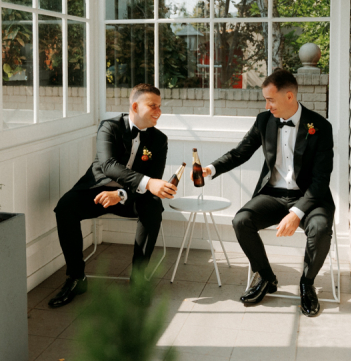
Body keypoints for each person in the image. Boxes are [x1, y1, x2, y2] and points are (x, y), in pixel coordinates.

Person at [200, 69, 335, 316]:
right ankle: (266, 277)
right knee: (242, 220)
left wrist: (296, 213)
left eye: (271, 99)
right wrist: (210, 169)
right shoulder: (264, 121)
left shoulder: (321, 127)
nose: (267, 105)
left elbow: (320, 181)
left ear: (290, 97)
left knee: (320, 228)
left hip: (310, 199)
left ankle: (307, 284)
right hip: (273, 195)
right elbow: (240, 152)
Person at [48, 84, 177, 308]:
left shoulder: (159, 140)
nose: (159, 111)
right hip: (97, 189)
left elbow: (153, 180)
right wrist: (140, 185)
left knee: (153, 206)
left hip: (131, 197)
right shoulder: (109, 127)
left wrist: (121, 194)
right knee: (65, 208)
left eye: (160, 106)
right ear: (135, 106)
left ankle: (138, 279)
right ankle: (76, 278)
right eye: (153, 106)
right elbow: (108, 166)